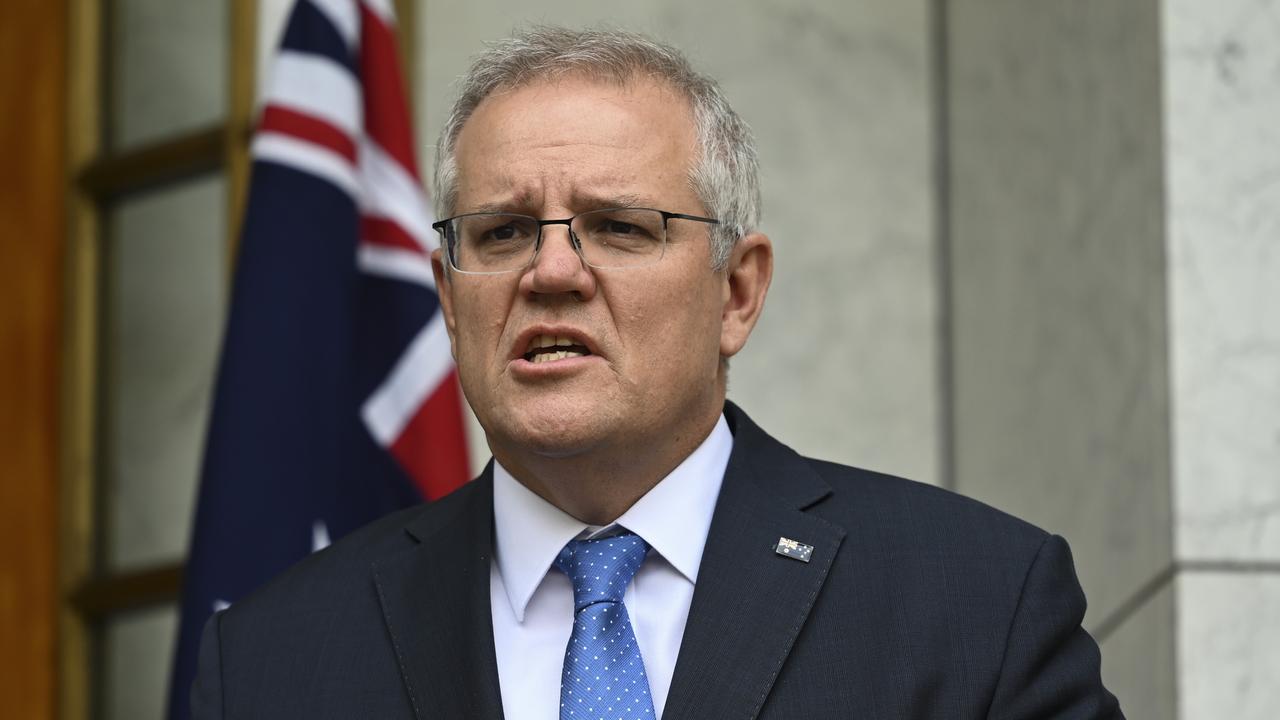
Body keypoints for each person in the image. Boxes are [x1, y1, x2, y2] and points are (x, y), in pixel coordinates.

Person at [192, 26, 1123, 719]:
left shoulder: (973, 604)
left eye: (620, 228)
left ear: (737, 293)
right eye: (504, 233)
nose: (551, 272)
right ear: (447, 292)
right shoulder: (276, 663)